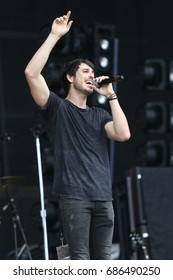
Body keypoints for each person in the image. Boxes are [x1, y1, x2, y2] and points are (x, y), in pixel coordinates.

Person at [24, 10, 131, 260]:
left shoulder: (99, 114)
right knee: (79, 261)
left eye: (92, 72)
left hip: (103, 198)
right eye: (85, 71)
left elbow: (123, 134)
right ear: (70, 78)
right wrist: (54, 35)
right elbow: (31, 73)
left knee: (104, 263)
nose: (91, 75)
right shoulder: (57, 108)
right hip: (74, 197)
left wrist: (111, 95)